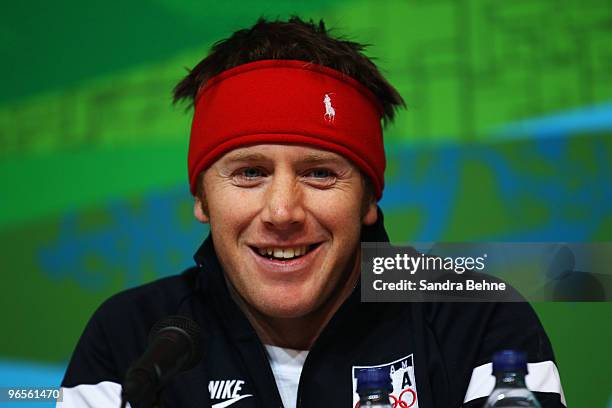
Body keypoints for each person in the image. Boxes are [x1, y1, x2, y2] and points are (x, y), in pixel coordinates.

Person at [59, 17, 566, 407]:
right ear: (202, 198)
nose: (282, 210)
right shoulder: (132, 340)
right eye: (250, 173)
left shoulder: (475, 317)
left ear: (369, 199)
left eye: (320, 173)